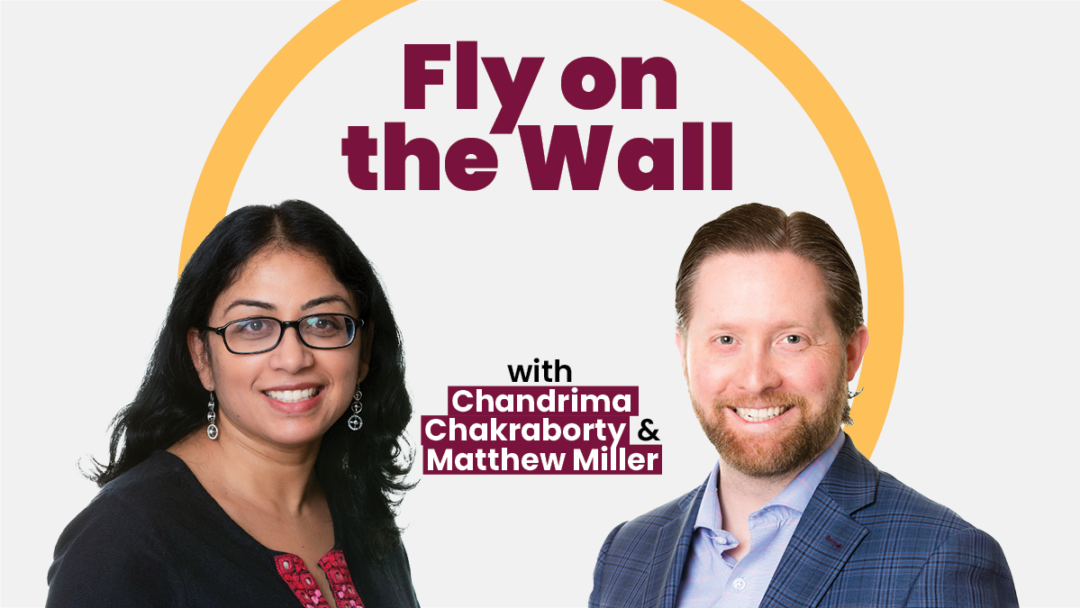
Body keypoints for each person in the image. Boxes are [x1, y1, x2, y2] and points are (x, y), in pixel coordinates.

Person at [589, 203, 1018, 608]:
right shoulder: (627, 552)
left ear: (851, 354)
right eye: (725, 340)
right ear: (684, 355)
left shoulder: (944, 559)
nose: (756, 380)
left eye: (792, 339)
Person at [47, 200, 420, 608]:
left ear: (362, 351)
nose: (293, 359)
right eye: (254, 326)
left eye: (322, 323)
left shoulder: (362, 512)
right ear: (203, 356)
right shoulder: (123, 536)